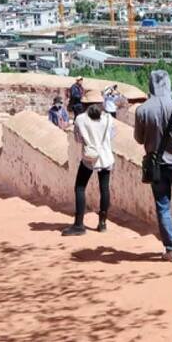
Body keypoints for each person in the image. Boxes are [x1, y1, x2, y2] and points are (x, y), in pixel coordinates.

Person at [133, 69, 172, 261]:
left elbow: (138, 138)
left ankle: (171, 249)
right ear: (168, 84)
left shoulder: (142, 110)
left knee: (163, 207)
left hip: (156, 166)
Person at [62, 90, 115, 236]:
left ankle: (79, 224)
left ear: (85, 104)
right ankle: (102, 223)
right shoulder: (109, 119)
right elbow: (112, 136)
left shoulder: (80, 119)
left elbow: (78, 140)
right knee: (104, 188)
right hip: (105, 157)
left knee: (80, 187)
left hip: (89, 157)